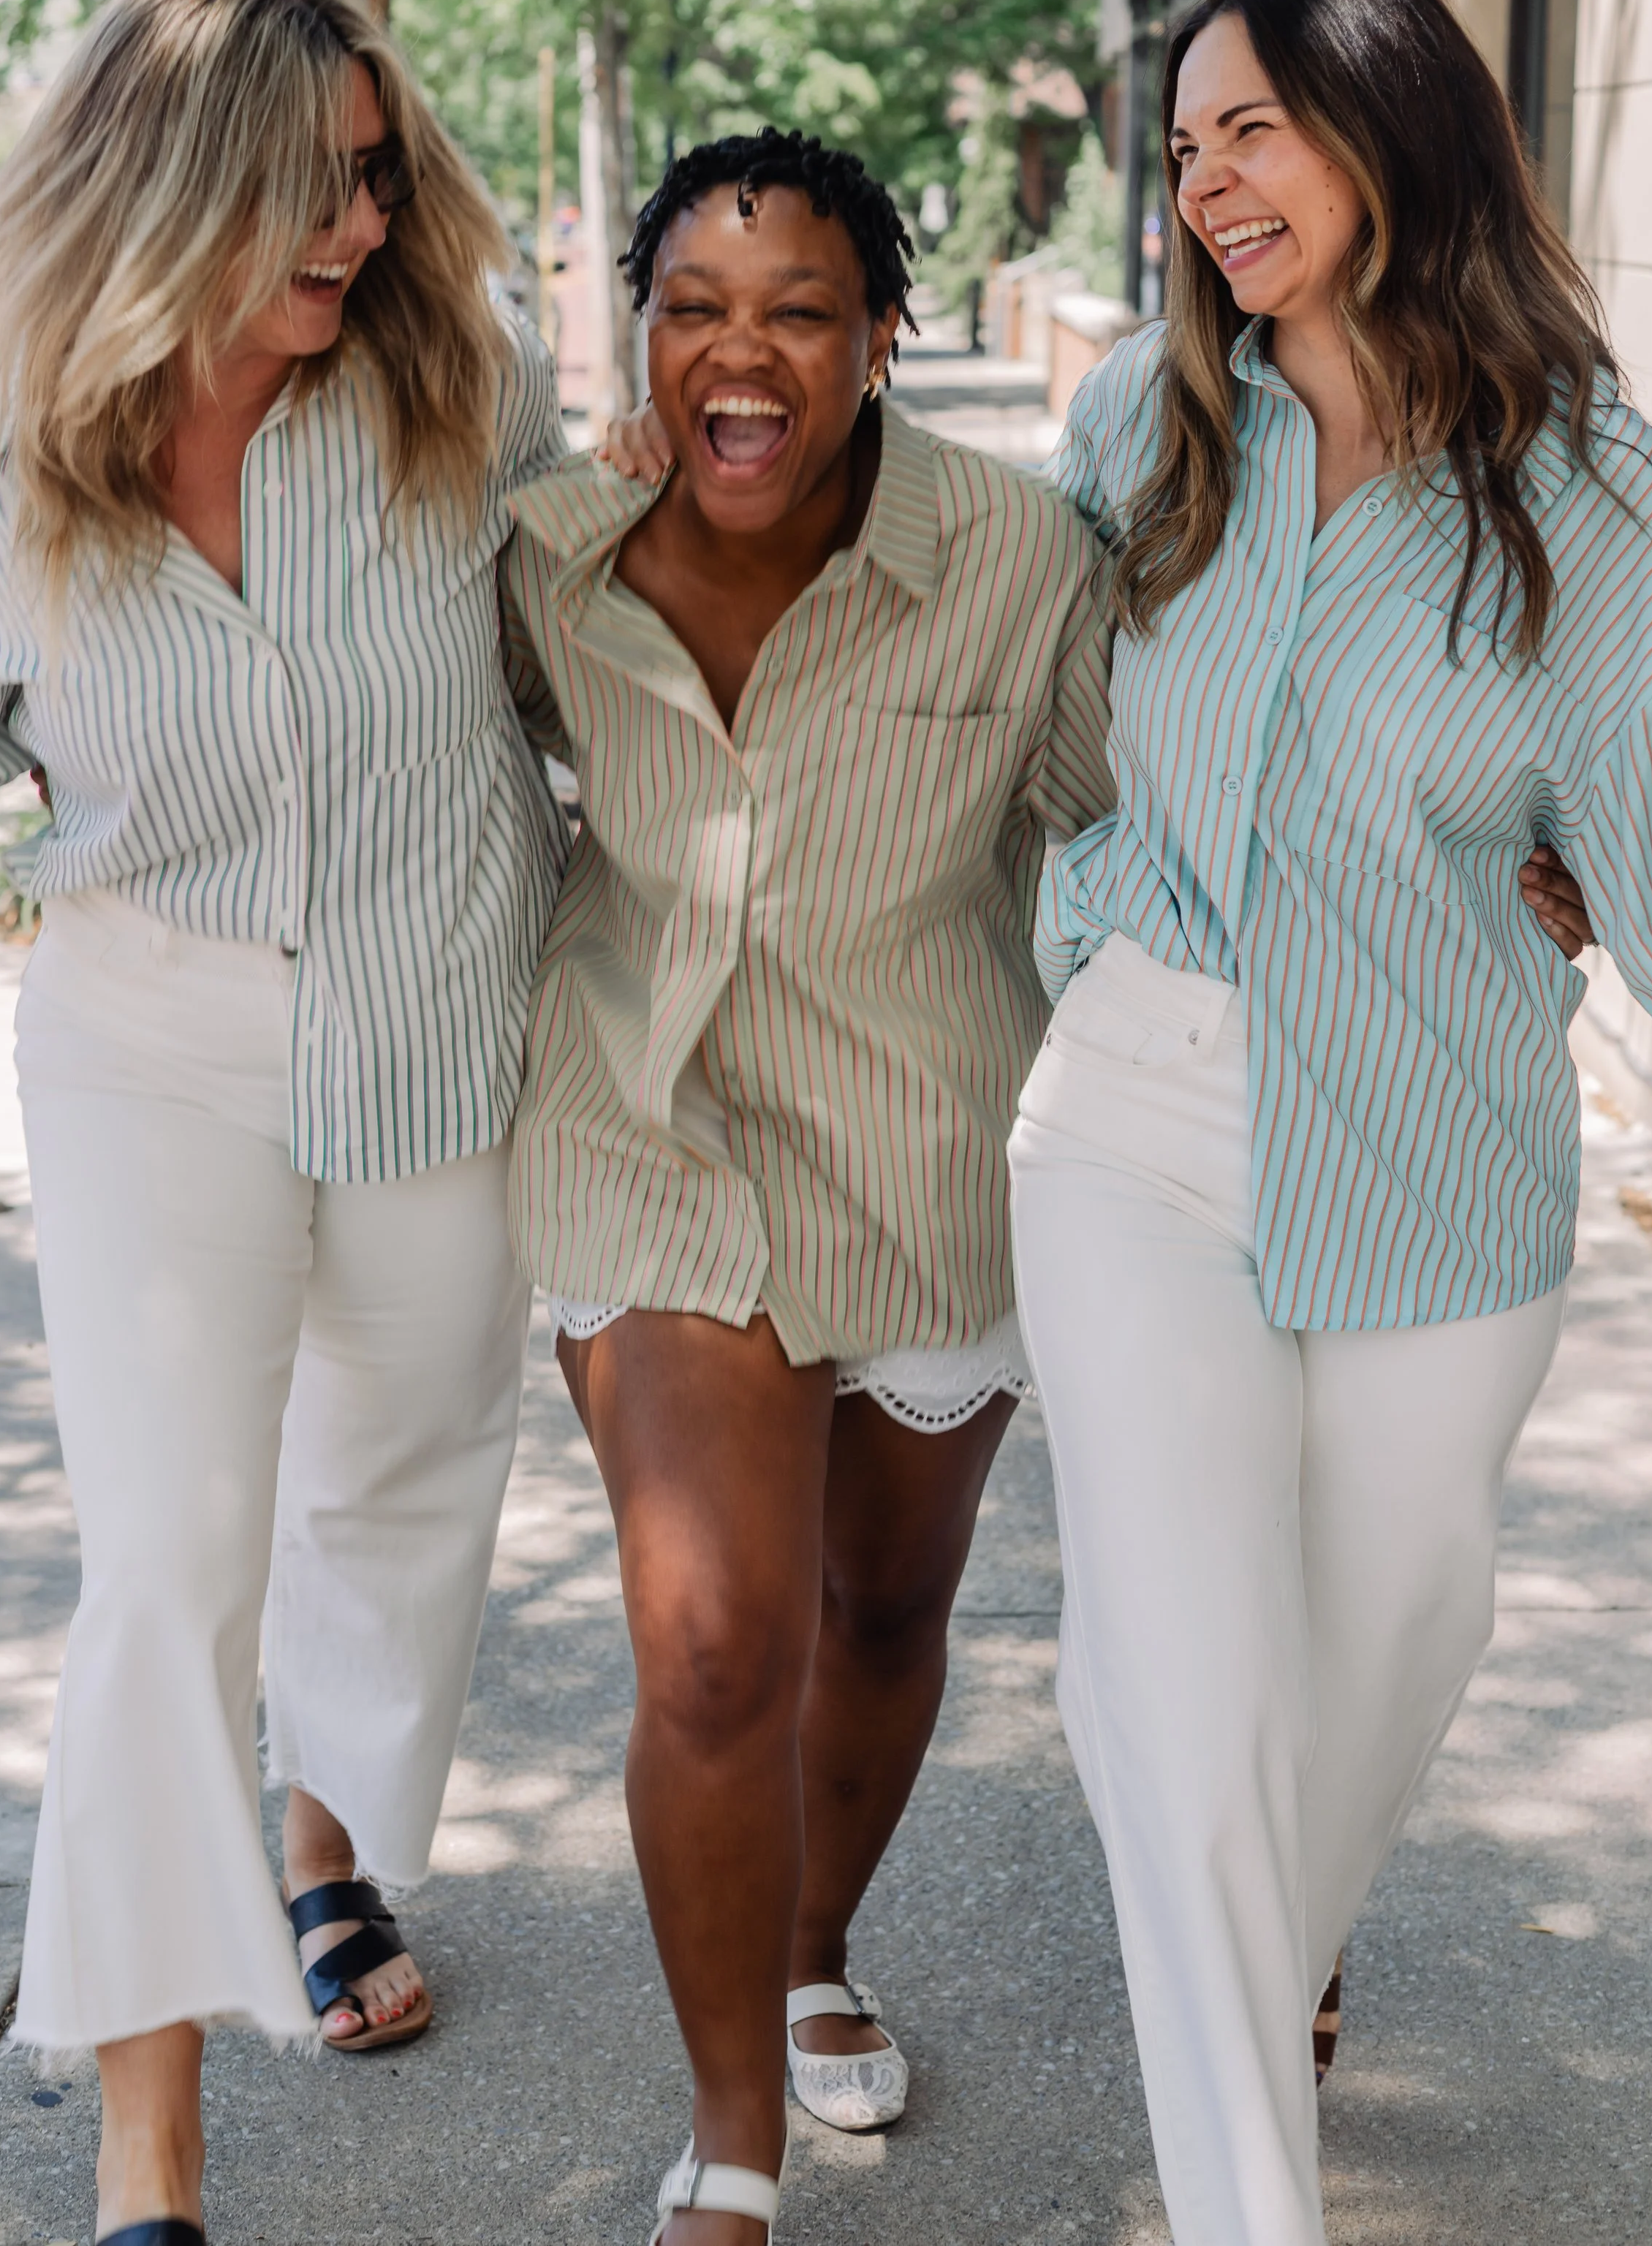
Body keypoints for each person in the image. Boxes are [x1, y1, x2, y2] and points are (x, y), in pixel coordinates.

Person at [0, 0, 567, 2245]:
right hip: (150, 1028)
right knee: (168, 1568)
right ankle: (152, 2154)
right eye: (308, 192)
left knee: (403, 1500)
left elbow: (613, 651)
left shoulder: (455, 383)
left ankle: (317, 1853)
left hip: (440, 1005)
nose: (360, 229)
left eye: (377, 176)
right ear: (169, 187)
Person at [1008, 0, 1652, 2246]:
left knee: (1399, 1641)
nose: (1199, 186)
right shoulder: (1141, 429)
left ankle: (1263, 1963)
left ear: (1386, 126)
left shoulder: (1584, 486)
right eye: (1180, 147)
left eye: (1247, 132)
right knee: (1176, 1691)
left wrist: (1593, 879)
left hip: (1442, 1142)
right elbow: (993, 701)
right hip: (1136, 1108)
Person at [499, 128, 1115, 2242]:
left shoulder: (1023, 555)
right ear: (637, 333)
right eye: (693, 308)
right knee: (710, 1645)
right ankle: (733, 2139)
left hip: (926, 1146)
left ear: (877, 339)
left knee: (877, 1608)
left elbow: (1156, 810)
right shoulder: (550, 562)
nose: (737, 356)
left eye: (797, 313)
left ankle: (812, 1935)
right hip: (646, 1144)